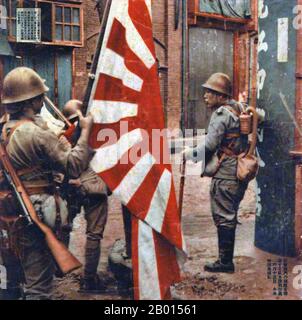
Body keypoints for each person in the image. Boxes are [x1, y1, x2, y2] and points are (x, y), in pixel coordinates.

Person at [0, 67, 94, 299]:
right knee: (39, 286)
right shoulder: (36, 133)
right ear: (29, 102)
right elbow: (73, 165)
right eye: (39, 97)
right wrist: (85, 133)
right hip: (37, 212)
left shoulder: (4, 130)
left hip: (14, 210)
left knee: (22, 277)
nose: (43, 101)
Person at [184, 73, 249, 273]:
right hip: (237, 170)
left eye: (210, 92)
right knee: (229, 214)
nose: (205, 96)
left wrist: (190, 154)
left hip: (226, 174)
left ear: (221, 96)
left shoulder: (221, 114)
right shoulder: (239, 107)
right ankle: (225, 260)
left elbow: (210, 145)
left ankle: (225, 262)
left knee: (224, 216)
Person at [60, 99, 108, 294]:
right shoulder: (96, 131)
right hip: (93, 186)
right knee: (93, 234)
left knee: (65, 226)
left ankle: (59, 268)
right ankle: (89, 279)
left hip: (72, 185)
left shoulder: (62, 137)